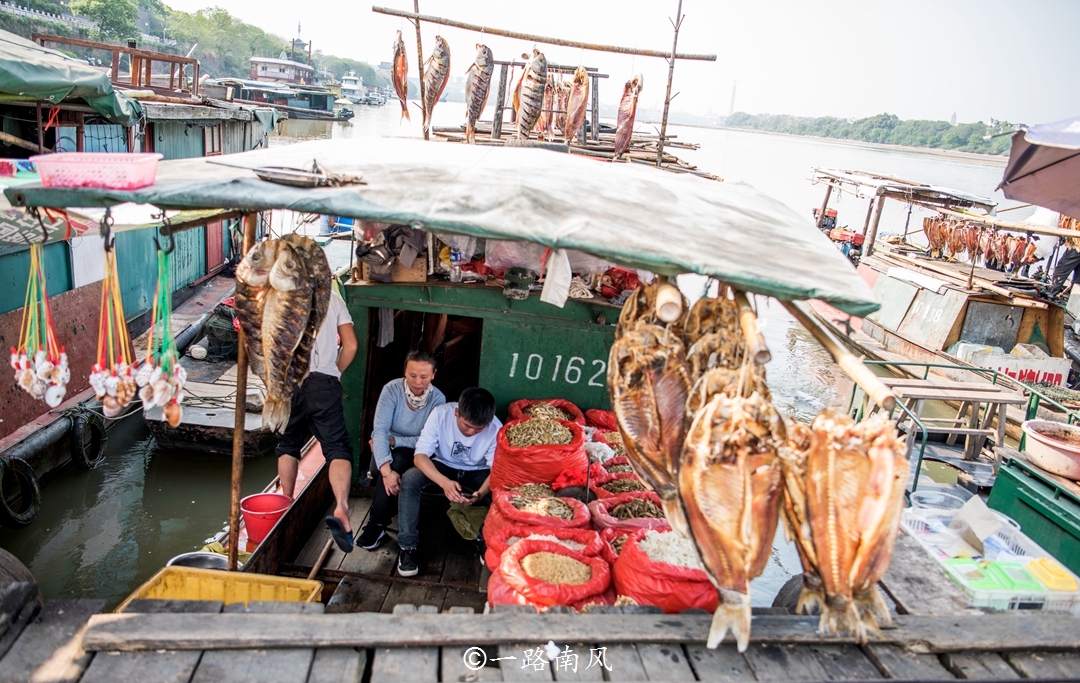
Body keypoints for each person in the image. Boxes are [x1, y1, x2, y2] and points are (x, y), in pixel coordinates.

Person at [275, 287, 358, 553]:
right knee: (336, 448)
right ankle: (342, 507)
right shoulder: (333, 297)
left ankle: (285, 501)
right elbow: (351, 344)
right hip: (323, 381)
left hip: (289, 380)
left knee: (288, 443)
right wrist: (335, 373)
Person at [392, 387, 501, 577]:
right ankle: (407, 547)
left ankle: (485, 541)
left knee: (503, 491)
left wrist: (481, 494)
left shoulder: (495, 427)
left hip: (477, 472)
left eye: (478, 428)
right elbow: (420, 457)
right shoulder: (440, 414)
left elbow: (497, 471)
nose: (471, 432)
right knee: (410, 479)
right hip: (443, 466)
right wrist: (444, 482)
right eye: (466, 426)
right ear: (457, 413)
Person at [355, 350, 446, 550]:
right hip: (384, 450)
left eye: (424, 376)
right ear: (405, 371)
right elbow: (379, 431)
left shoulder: (438, 399)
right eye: (412, 375)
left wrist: (395, 440)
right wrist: (387, 473)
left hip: (414, 452)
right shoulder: (392, 390)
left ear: (433, 375)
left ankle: (376, 524)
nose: (418, 381)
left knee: (400, 460)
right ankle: (383, 512)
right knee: (387, 468)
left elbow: (428, 440)